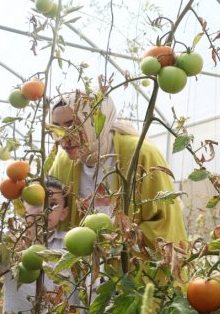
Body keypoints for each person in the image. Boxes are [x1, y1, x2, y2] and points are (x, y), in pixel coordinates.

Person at [49, 89, 187, 248]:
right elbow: (51, 214)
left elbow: (164, 224)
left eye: (72, 125)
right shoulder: (63, 163)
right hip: (84, 267)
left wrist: (115, 242)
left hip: (133, 268)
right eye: (56, 128)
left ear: (95, 123)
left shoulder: (141, 154)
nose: (63, 137)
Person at [2, 177, 72, 314]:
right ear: (21, 207)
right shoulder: (8, 244)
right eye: (35, 202)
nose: (43, 209)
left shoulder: (70, 246)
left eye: (53, 204)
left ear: (64, 213)